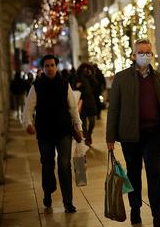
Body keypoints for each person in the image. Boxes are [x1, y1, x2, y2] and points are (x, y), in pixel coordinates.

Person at [106, 39, 160, 227]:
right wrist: (110, 137)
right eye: (141, 52)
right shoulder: (122, 78)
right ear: (133, 55)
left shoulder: (159, 79)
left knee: (154, 174)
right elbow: (114, 109)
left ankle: (158, 216)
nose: (145, 56)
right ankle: (135, 210)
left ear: (152, 55)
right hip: (131, 136)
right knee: (134, 174)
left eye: (148, 52)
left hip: (154, 134)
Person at [23, 54, 83, 213]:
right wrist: (28, 123)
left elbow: (73, 108)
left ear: (56, 67)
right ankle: (48, 192)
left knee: (64, 165)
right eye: (46, 66)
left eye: (52, 65)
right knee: (47, 165)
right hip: (44, 133)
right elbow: (28, 108)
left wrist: (78, 126)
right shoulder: (37, 86)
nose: (49, 68)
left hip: (64, 131)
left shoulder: (64, 84)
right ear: (42, 68)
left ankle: (68, 202)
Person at [75, 63, 99, 146]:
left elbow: (96, 86)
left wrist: (91, 76)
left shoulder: (91, 77)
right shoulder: (78, 77)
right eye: (84, 69)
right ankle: (86, 139)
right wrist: (78, 85)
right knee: (84, 124)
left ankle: (89, 134)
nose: (86, 70)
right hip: (82, 102)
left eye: (87, 69)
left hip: (91, 102)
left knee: (92, 122)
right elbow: (74, 87)